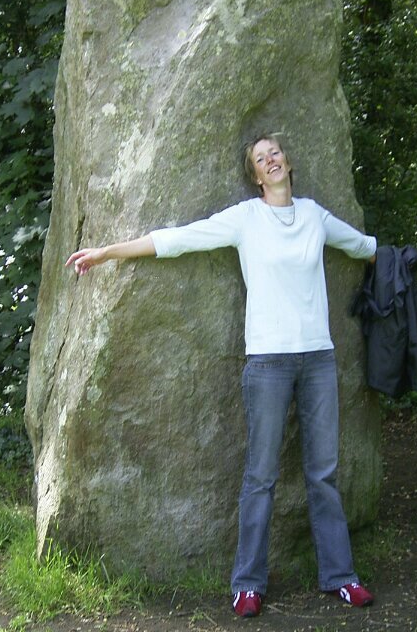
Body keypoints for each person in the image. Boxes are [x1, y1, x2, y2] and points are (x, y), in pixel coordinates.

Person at [66, 133, 377, 617]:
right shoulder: (245, 219)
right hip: (268, 364)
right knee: (261, 476)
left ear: (288, 162)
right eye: (261, 158)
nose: (271, 160)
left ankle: (341, 576)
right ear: (255, 176)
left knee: (323, 473)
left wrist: (398, 265)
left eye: (275, 153)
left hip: (318, 359)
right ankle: (248, 583)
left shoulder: (314, 216)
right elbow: (179, 239)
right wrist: (108, 252)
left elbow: (363, 247)